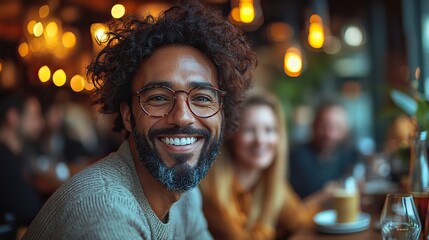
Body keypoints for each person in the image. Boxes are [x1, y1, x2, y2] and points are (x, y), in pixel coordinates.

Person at [23, 1, 256, 239]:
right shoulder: (104, 210)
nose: (182, 116)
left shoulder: (185, 196)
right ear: (127, 116)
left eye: (202, 98)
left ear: (222, 113)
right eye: (158, 98)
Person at [200, 92, 330, 239]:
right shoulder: (212, 188)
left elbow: (298, 220)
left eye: (269, 130)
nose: (260, 140)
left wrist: (327, 196)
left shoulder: (271, 182)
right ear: (230, 134)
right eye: (249, 129)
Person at [289, 100, 360, 198]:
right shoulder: (296, 157)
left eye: (337, 127)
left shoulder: (351, 156)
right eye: (324, 126)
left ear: (345, 130)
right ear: (314, 126)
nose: (329, 134)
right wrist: (324, 195)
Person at [0, 90, 44, 235]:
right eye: (34, 116)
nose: (40, 123)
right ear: (13, 117)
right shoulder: (4, 159)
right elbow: (31, 210)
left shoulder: (16, 156)